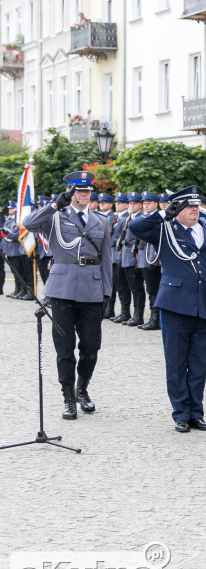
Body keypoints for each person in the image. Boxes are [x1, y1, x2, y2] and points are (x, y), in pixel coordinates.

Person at [129, 186, 206, 433]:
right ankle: (181, 413)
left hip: (205, 307)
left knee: (199, 364)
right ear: (177, 209)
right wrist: (164, 214)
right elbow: (135, 229)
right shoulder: (164, 231)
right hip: (175, 306)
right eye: (188, 206)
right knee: (176, 363)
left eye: (196, 206)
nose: (194, 210)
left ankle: (196, 412)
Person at [22, 171, 113, 420]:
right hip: (62, 290)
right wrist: (53, 205)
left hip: (92, 290)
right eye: (78, 191)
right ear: (70, 193)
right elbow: (28, 224)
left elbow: (107, 259)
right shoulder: (55, 217)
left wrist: (107, 291)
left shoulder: (101, 220)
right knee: (64, 348)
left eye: (87, 191)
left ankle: (82, 389)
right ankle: (68, 398)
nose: (83, 195)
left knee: (91, 347)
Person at [136, 192, 162, 331]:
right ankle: (153, 317)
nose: (146, 205)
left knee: (156, 290)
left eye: (149, 203)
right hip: (145, 257)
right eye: (144, 203)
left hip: (154, 257)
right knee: (150, 289)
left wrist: (158, 257)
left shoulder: (158, 218)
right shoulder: (143, 218)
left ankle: (157, 319)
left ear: (155, 204)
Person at [120, 192, 146, 326]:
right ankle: (131, 314)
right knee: (130, 286)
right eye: (130, 203)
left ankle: (138, 315)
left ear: (140, 205)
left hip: (134, 256)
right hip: (126, 256)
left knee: (137, 287)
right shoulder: (128, 218)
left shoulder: (141, 218)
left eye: (134, 203)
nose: (131, 205)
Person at [110, 193, 131, 322]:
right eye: (116, 202)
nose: (117, 205)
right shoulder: (117, 218)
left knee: (123, 285)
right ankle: (123, 312)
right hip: (114, 253)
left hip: (120, 253)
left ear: (126, 205)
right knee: (117, 284)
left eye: (120, 203)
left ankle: (126, 312)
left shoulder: (125, 219)